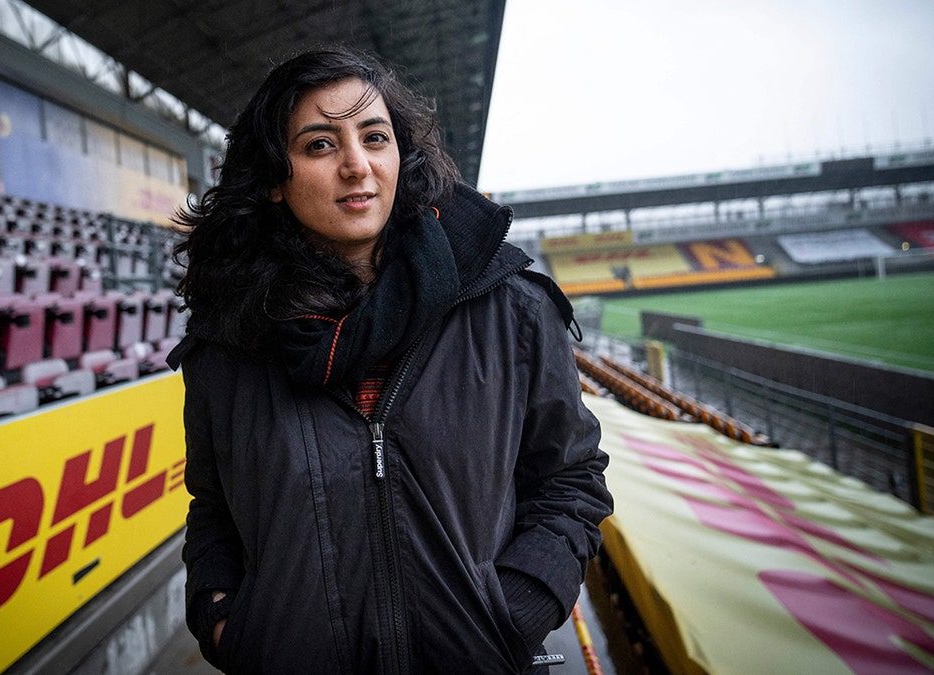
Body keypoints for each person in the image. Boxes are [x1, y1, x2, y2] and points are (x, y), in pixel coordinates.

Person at [167, 46, 613, 674]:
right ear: (273, 178)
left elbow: (570, 478)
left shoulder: (509, 308)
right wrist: (226, 622)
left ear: (402, 155)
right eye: (320, 145)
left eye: (374, 137)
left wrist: (518, 605)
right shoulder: (228, 344)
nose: (357, 165)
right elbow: (214, 508)